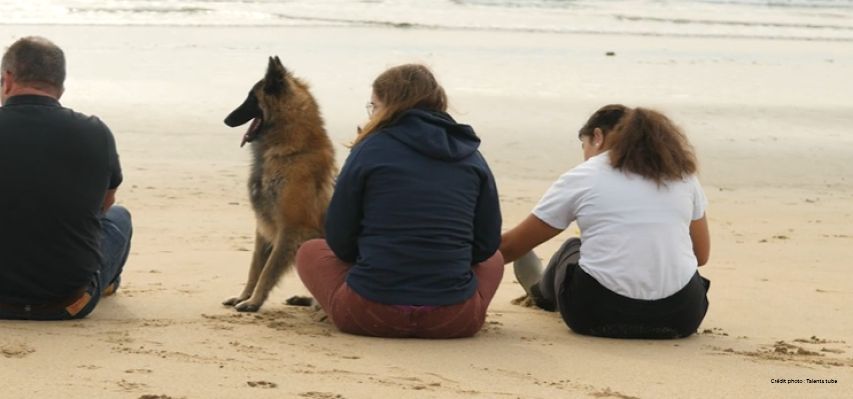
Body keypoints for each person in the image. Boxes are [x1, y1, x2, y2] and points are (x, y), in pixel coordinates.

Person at [295, 64, 503, 338]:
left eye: (374, 106)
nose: (372, 114)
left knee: (310, 251)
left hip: (367, 314)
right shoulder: (471, 156)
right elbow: (486, 245)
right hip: (455, 319)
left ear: (390, 106)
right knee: (495, 260)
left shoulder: (368, 149)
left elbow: (339, 240)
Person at [0, 36, 132, 320]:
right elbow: (103, 207)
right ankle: (107, 282)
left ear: (7, 79)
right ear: (60, 86)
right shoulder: (96, 132)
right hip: (70, 302)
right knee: (120, 217)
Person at [503, 105, 711, 339]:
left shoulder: (584, 175)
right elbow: (701, 256)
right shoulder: (682, 174)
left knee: (572, 248)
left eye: (585, 146)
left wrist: (463, 261)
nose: (584, 155)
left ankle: (540, 292)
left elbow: (511, 248)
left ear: (598, 137)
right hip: (682, 317)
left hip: (597, 315)